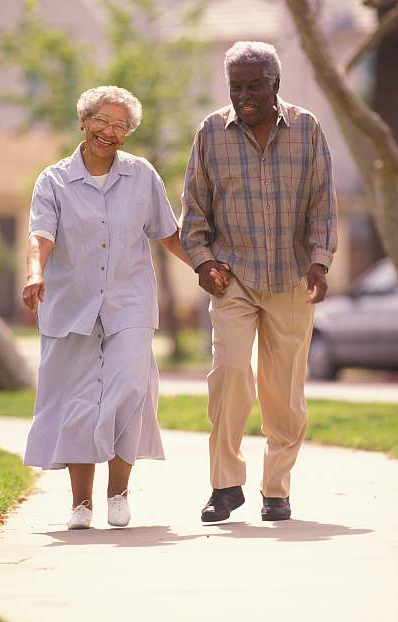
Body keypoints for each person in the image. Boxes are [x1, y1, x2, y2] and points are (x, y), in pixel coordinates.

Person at [22, 85, 225, 530]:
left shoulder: (141, 175)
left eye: (120, 125)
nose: (109, 132)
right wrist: (36, 273)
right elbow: (41, 235)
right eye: (102, 121)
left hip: (128, 304)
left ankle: (118, 492)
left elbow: (167, 232)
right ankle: (81, 504)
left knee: (130, 389)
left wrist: (203, 266)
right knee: (78, 402)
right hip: (71, 306)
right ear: (83, 121)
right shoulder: (53, 180)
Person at [181, 41, 338, 522]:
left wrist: (320, 260)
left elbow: (321, 202)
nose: (244, 97)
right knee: (228, 373)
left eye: (253, 87)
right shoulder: (210, 132)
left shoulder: (308, 128)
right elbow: (194, 209)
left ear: (276, 85)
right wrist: (204, 262)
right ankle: (226, 486)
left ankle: (277, 488)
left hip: (292, 275)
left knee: (284, 389)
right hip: (234, 277)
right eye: (235, 88)